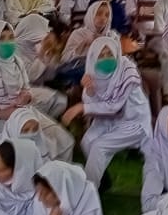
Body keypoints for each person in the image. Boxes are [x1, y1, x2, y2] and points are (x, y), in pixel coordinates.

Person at [61, 36, 152, 188]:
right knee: (87, 141)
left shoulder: (127, 70)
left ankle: (87, 195)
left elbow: (115, 106)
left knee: (99, 147)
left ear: (116, 52)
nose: (106, 59)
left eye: (109, 54)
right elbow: (93, 104)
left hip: (133, 121)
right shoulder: (92, 70)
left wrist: (81, 107)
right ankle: (101, 181)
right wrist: (89, 90)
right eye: (101, 56)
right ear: (94, 58)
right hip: (107, 119)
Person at [0, 20, 69, 144]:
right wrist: (0, 113)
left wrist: (27, 96)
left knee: (63, 139)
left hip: (23, 110)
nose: (7, 43)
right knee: (36, 142)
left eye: (10, 38)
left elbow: (27, 88)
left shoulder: (16, 61)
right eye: (1, 39)